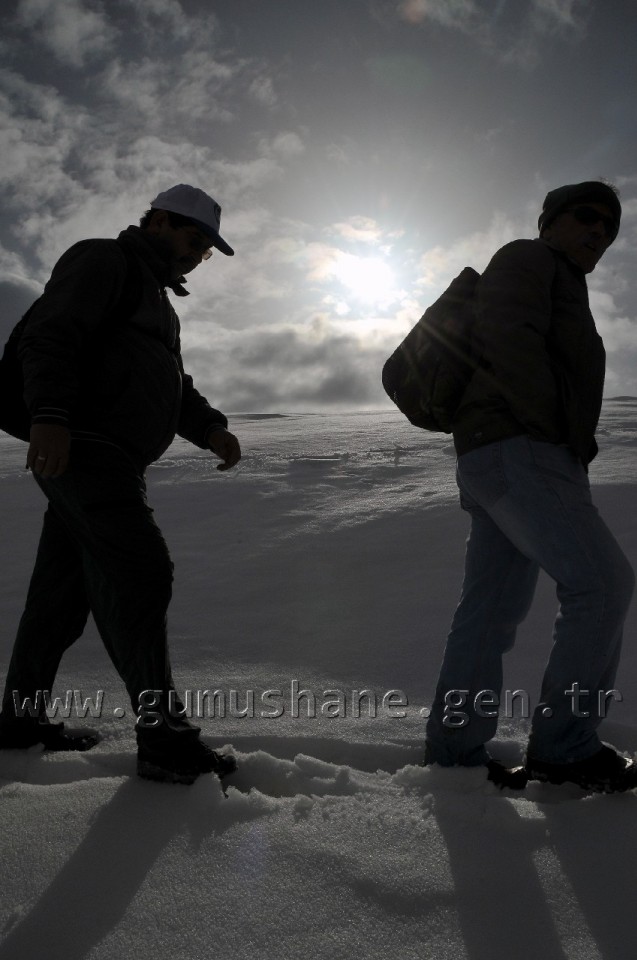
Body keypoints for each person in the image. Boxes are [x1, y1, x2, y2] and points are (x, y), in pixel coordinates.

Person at [0, 183, 241, 785]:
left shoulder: (158, 303)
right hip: (83, 448)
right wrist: (50, 416)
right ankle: (165, 740)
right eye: (193, 239)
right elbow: (50, 333)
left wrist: (209, 428)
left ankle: (17, 724)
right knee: (139, 570)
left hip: (108, 458)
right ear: (159, 221)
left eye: (206, 250)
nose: (197, 255)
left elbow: (171, 387)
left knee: (60, 599)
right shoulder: (104, 260)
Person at [424, 180, 636, 792]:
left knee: (490, 611)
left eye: (609, 230)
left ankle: (454, 753)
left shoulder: (563, 281)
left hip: (500, 454)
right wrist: (554, 432)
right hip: (521, 449)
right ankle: (565, 748)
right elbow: (509, 338)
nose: (597, 233)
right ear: (550, 221)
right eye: (587, 219)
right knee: (601, 584)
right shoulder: (529, 258)